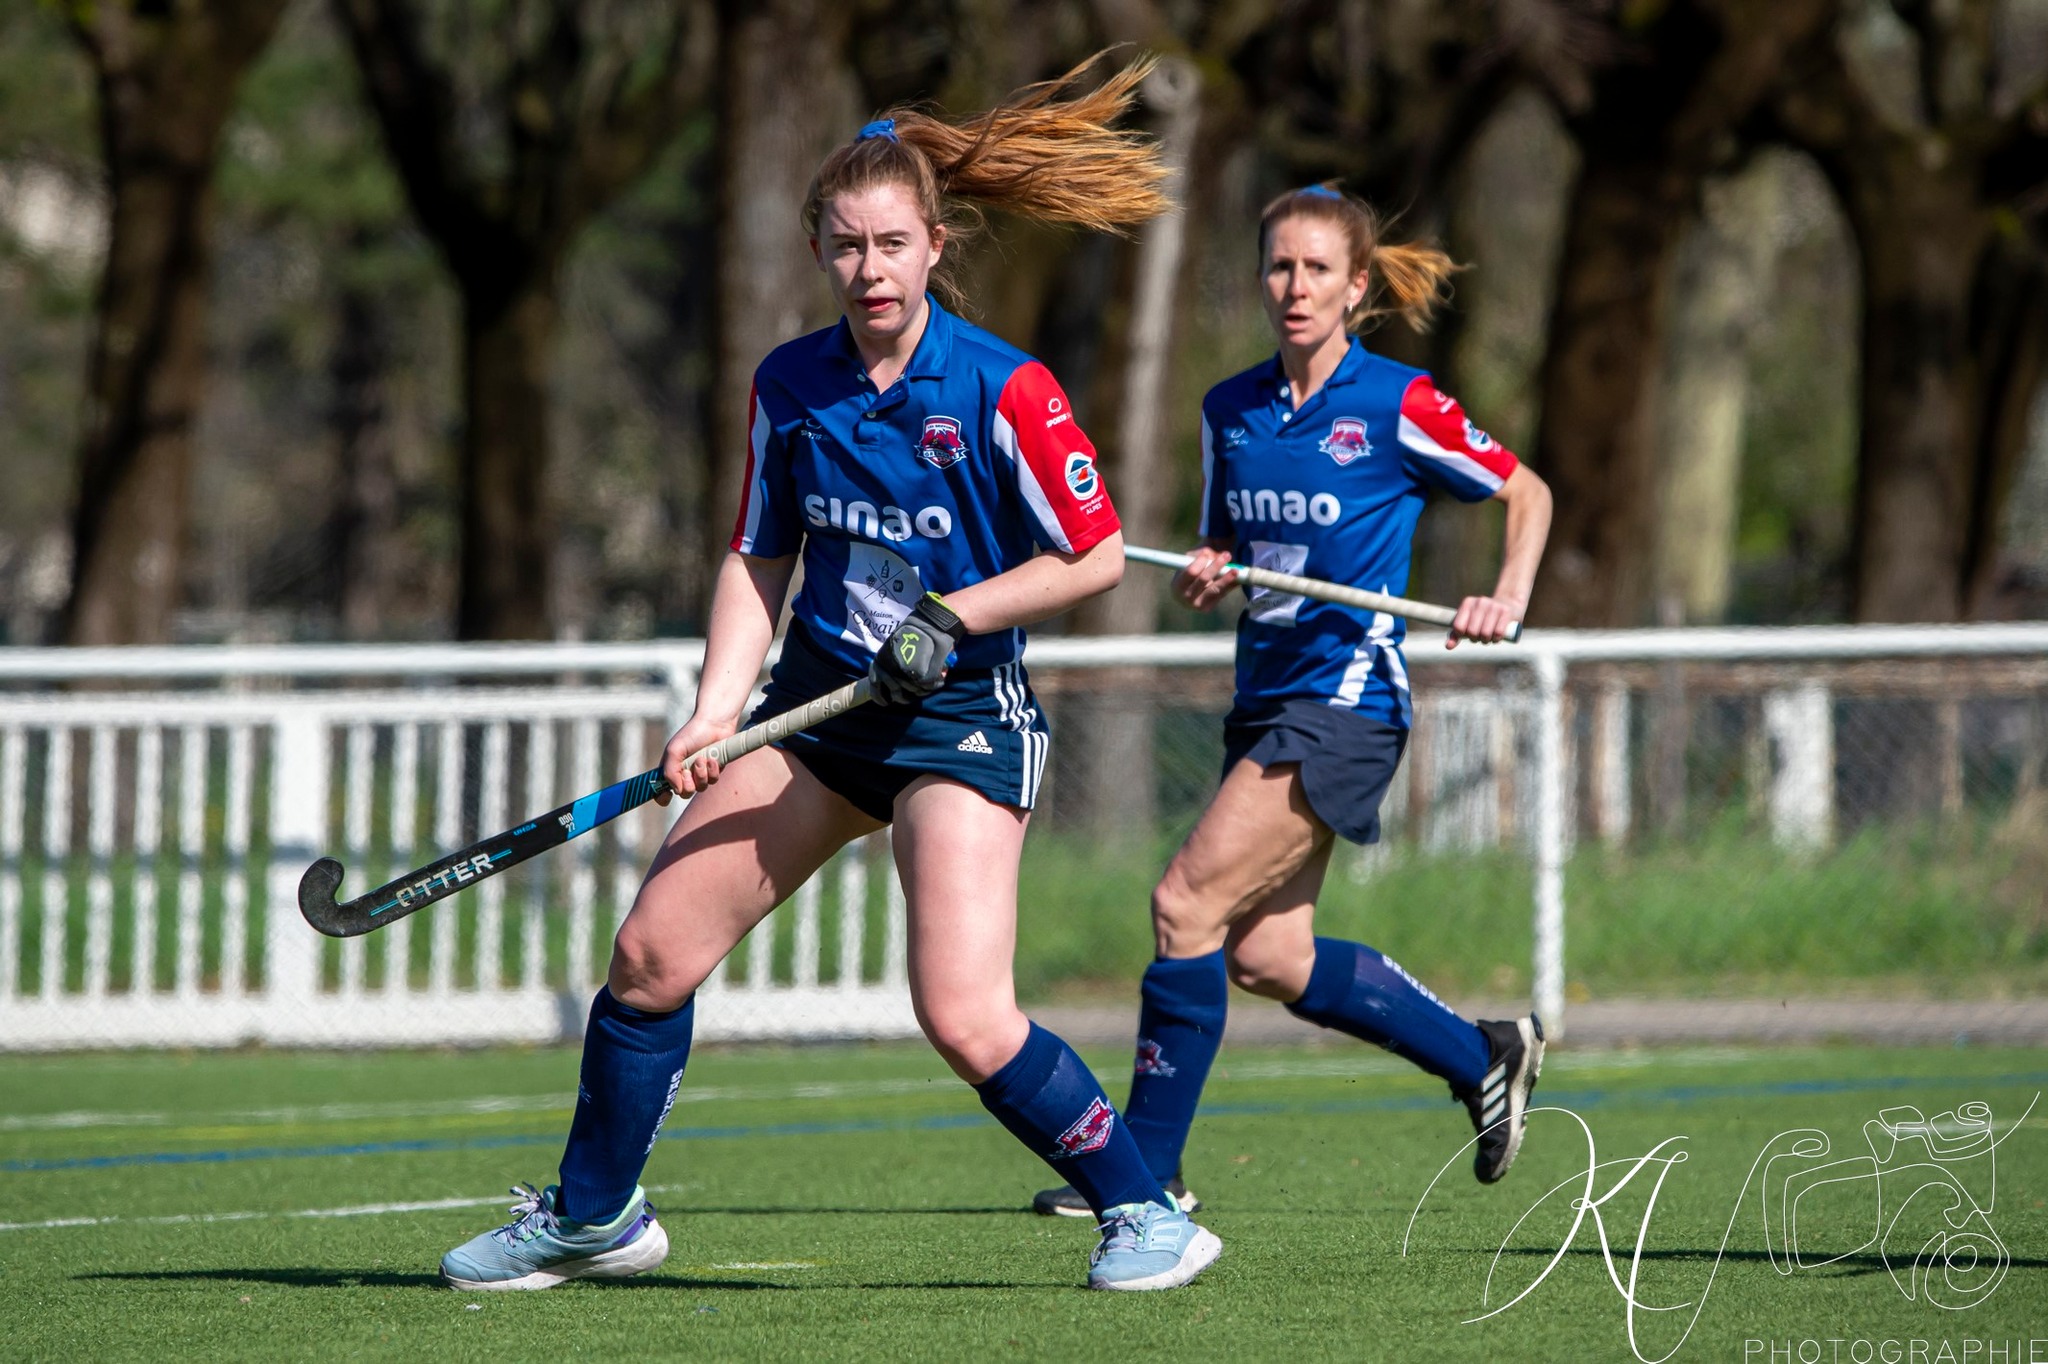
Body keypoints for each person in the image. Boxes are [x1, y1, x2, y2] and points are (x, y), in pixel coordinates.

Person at [437, 56, 1223, 1294]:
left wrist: (951, 615)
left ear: (935, 246)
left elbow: (1094, 554)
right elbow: (759, 557)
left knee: (962, 1012)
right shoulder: (788, 386)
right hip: (816, 716)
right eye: (847, 244)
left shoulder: (1004, 385)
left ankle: (1143, 1210)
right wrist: (711, 711)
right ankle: (594, 1216)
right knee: (648, 958)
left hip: (957, 719)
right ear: (819, 247)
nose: (870, 269)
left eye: (893, 244)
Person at [1033, 183, 1555, 1219]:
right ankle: (1481, 1052)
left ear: (1357, 287)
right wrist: (1211, 570)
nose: (1294, 286)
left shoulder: (1397, 403)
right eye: (1278, 266)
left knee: (1182, 901)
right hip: (1263, 692)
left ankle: (1146, 1173)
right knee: (1267, 953)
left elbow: (1525, 491)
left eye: (1317, 268)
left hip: (1348, 698)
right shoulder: (1228, 410)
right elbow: (1235, 545)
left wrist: (1504, 597)